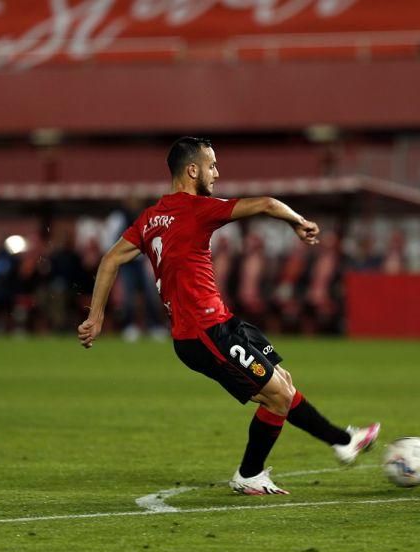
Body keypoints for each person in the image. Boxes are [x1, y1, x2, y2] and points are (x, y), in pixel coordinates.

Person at [78, 137, 379, 495]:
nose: (217, 173)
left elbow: (110, 258)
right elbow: (266, 204)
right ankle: (250, 474)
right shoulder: (195, 209)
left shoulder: (150, 218)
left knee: (281, 382)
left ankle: (342, 441)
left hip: (220, 322)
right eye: (212, 166)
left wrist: (96, 316)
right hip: (203, 333)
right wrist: (297, 221)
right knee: (277, 396)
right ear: (192, 170)